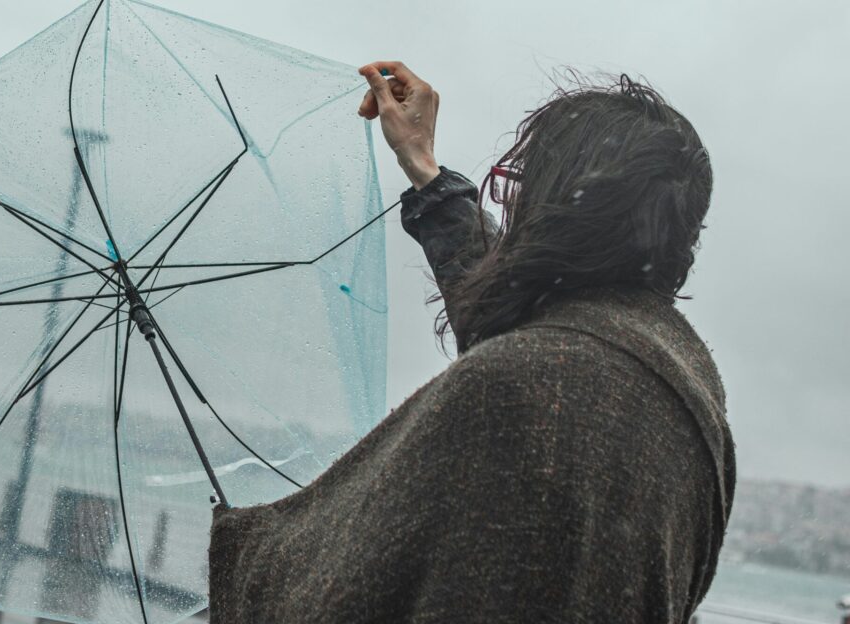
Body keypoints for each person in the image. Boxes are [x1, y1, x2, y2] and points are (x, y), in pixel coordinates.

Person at [207, 61, 735, 623]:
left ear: (558, 214)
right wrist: (424, 168)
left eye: (520, 190)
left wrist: (248, 549)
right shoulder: (682, 385)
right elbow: (534, 318)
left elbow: (350, 586)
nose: (510, 206)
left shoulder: (515, 387)